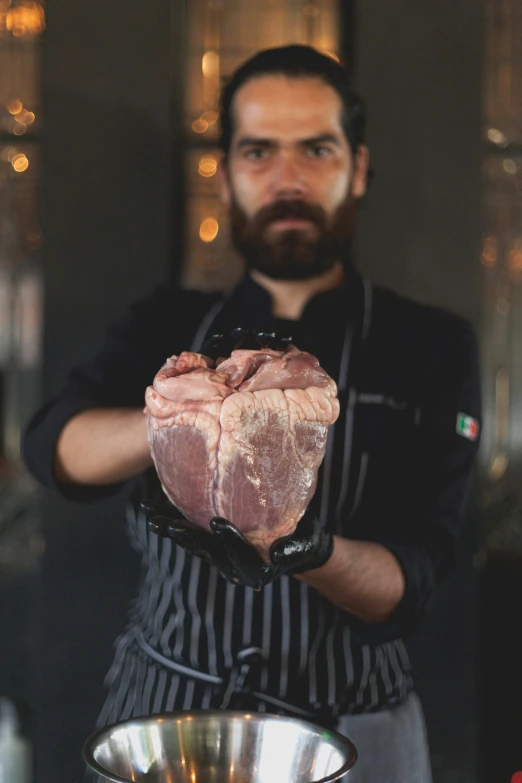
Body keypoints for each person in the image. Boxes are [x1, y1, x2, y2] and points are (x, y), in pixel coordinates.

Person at [22, 45, 481, 782]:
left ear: (357, 168)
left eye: (317, 149)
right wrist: (178, 422)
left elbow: (416, 573)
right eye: (259, 150)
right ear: (227, 171)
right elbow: (53, 446)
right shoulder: (165, 322)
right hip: (169, 714)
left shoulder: (429, 345)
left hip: (351, 727)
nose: (287, 178)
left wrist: (310, 549)